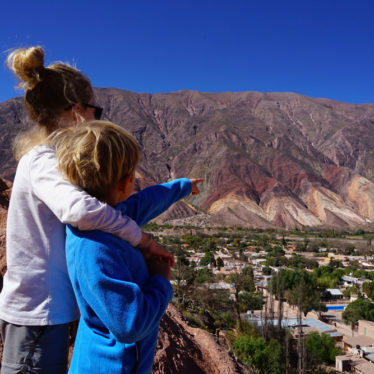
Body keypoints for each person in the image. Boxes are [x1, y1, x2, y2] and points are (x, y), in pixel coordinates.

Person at [0, 46, 173, 373]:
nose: (97, 117)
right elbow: (80, 210)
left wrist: (175, 189)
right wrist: (141, 240)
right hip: (38, 311)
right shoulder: (44, 161)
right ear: (77, 110)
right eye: (97, 109)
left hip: (46, 311)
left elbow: (120, 208)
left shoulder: (47, 161)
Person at [49, 120, 202, 373]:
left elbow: (147, 201)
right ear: (125, 182)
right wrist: (161, 280)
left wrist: (183, 187)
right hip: (111, 366)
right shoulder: (95, 248)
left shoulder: (111, 218)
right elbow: (128, 325)